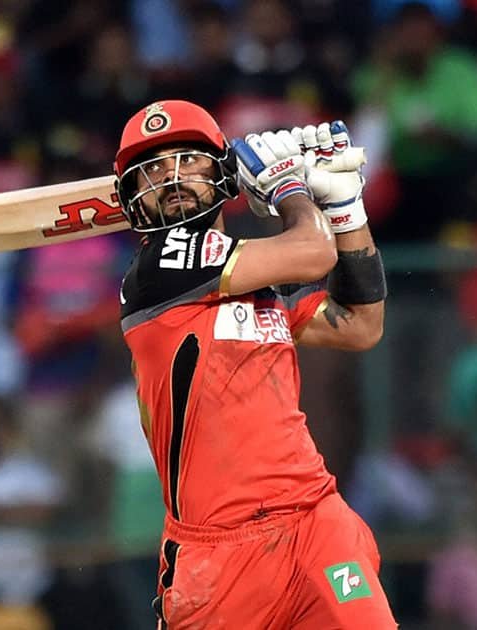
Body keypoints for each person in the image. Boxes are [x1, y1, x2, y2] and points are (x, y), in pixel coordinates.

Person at [112, 100, 396, 628]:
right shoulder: (155, 271)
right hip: (217, 557)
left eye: (187, 160)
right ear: (134, 196)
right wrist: (289, 189)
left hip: (316, 521)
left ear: (223, 172)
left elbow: (360, 325)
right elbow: (312, 254)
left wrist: (345, 210)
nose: (170, 178)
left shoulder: (258, 276)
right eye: (152, 168)